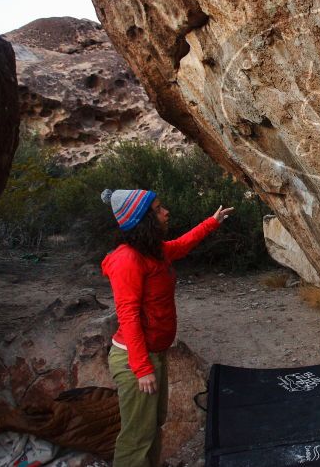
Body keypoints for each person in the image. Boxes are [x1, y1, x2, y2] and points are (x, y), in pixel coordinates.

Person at [99, 188, 233, 467]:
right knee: (137, 436)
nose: (165, 212)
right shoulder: (128, 260)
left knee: (152, 424)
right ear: (143, 219)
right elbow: (128, 315)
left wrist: (212, 222)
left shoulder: (152, 252)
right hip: (135, 359)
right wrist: (142, 367)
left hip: (152, 355)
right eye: (158, 209)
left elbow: (181, 245)